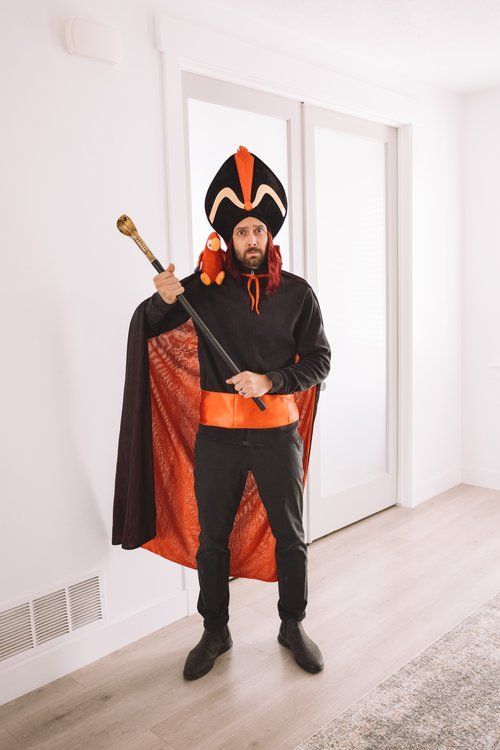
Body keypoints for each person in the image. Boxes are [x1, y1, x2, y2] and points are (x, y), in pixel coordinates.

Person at [143, 145, 331, 680]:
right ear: (228, 236)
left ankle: (292, 625)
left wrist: (271, 381)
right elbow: (153, 327)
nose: (251, 240)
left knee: (291, 537)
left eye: (259, 230)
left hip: (277, 437)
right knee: (212, 540)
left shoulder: (298, 294)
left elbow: (320, 360)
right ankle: (215, 630)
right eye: (242, 231)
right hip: (218, 440)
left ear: (270, 234)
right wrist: (162, 298)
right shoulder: (201, 292)